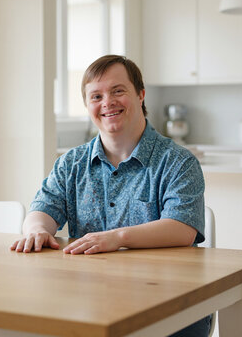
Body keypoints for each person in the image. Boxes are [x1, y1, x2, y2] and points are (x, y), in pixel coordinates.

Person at [11, 55, 210, 335]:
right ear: (88, 106)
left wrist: (117, 238)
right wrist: (38, 230)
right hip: (92, 303)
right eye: (96, 96)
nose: (107, 103)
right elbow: (42, 208)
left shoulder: (179, 162)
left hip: (173, 306)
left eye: (118, 91)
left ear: (140, 95)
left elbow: (182, 229)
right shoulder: (71, 163)